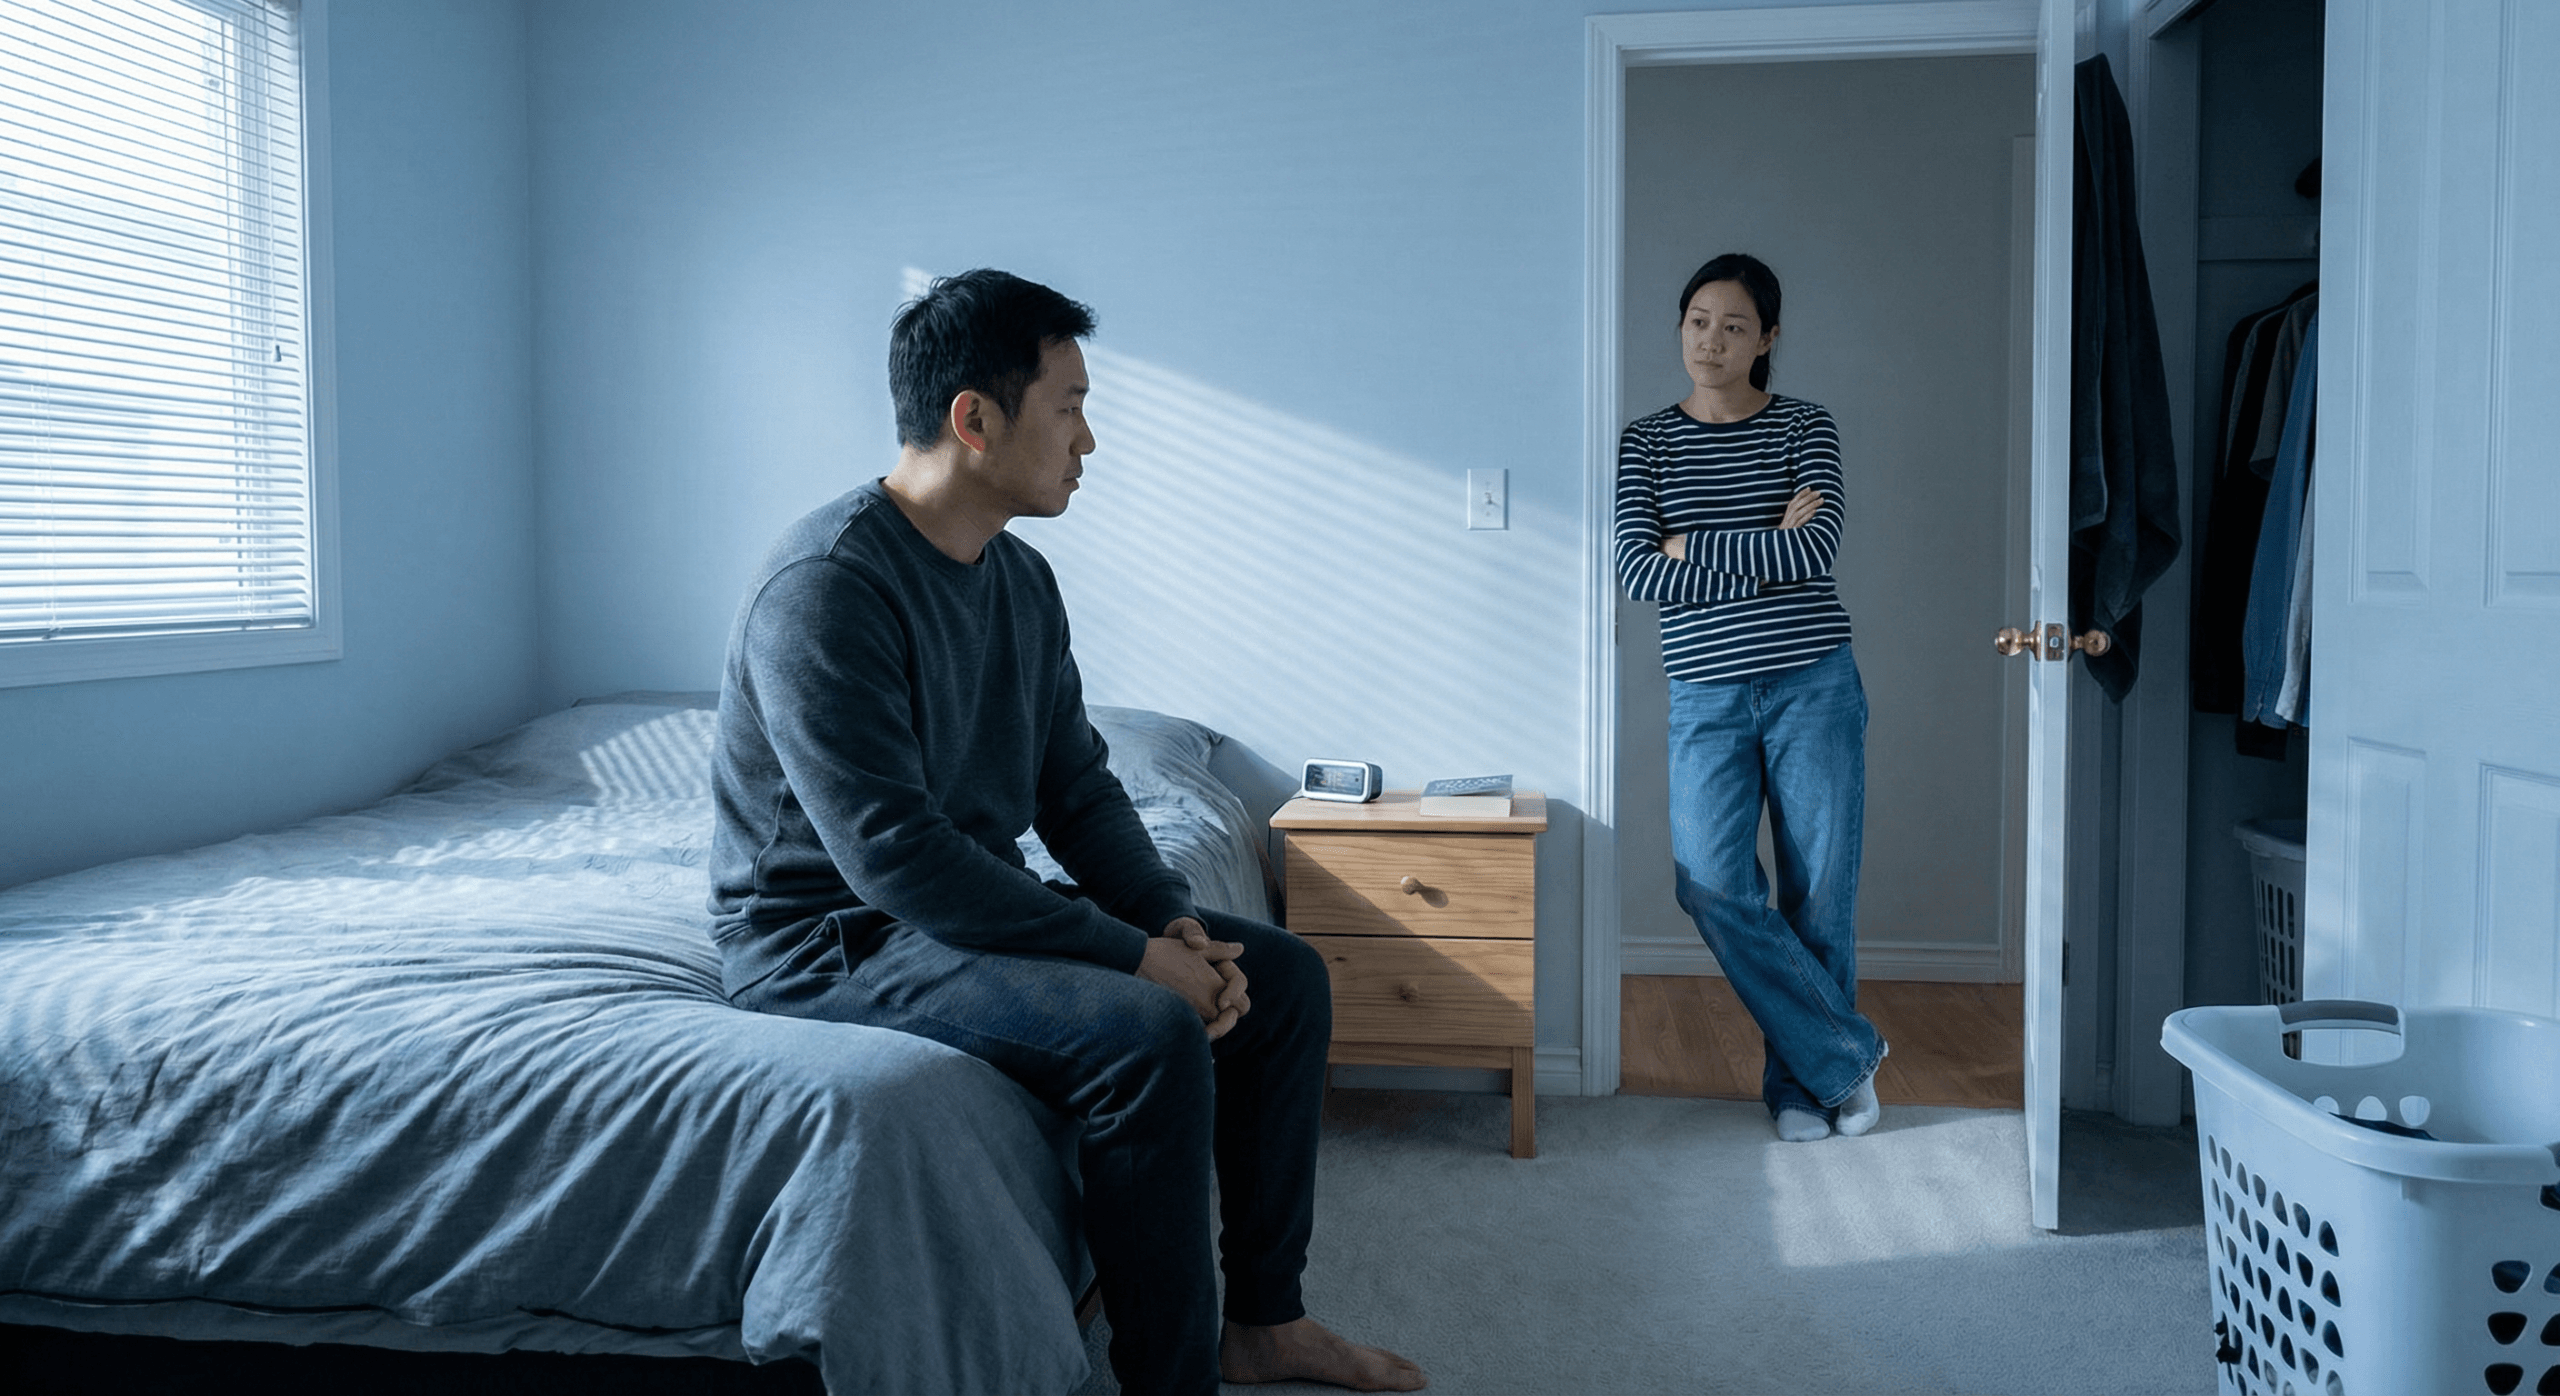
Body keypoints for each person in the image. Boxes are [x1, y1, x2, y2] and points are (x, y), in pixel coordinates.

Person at [706, 268, 1426, 1395]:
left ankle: (1265, 1322)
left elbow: (1079, 791)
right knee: (1147, 1032)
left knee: (1281, 978)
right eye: (1070, 407)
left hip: (952, 910)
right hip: (830, 941)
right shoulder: (826, 586)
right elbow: (894, 856)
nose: (1089, 440)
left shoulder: (1021, 582)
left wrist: (1172, 923)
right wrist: (1133, 961)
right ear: (975, 419)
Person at [1613, 253, 1888, 1144]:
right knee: (1711, 885)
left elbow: (1814, 552)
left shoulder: (1805, 425)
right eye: (1698, 321)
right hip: (1706, 694)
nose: (1711, 340)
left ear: (1767, 338)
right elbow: (1638, 571)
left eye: (1734, 326)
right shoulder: (1646, 442)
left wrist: (1692, 544)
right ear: (1680, 328)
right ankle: (1846, 1055)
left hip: (1814, 683)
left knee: (1821, 896)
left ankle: (1802, 1093)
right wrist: (1759, 541)